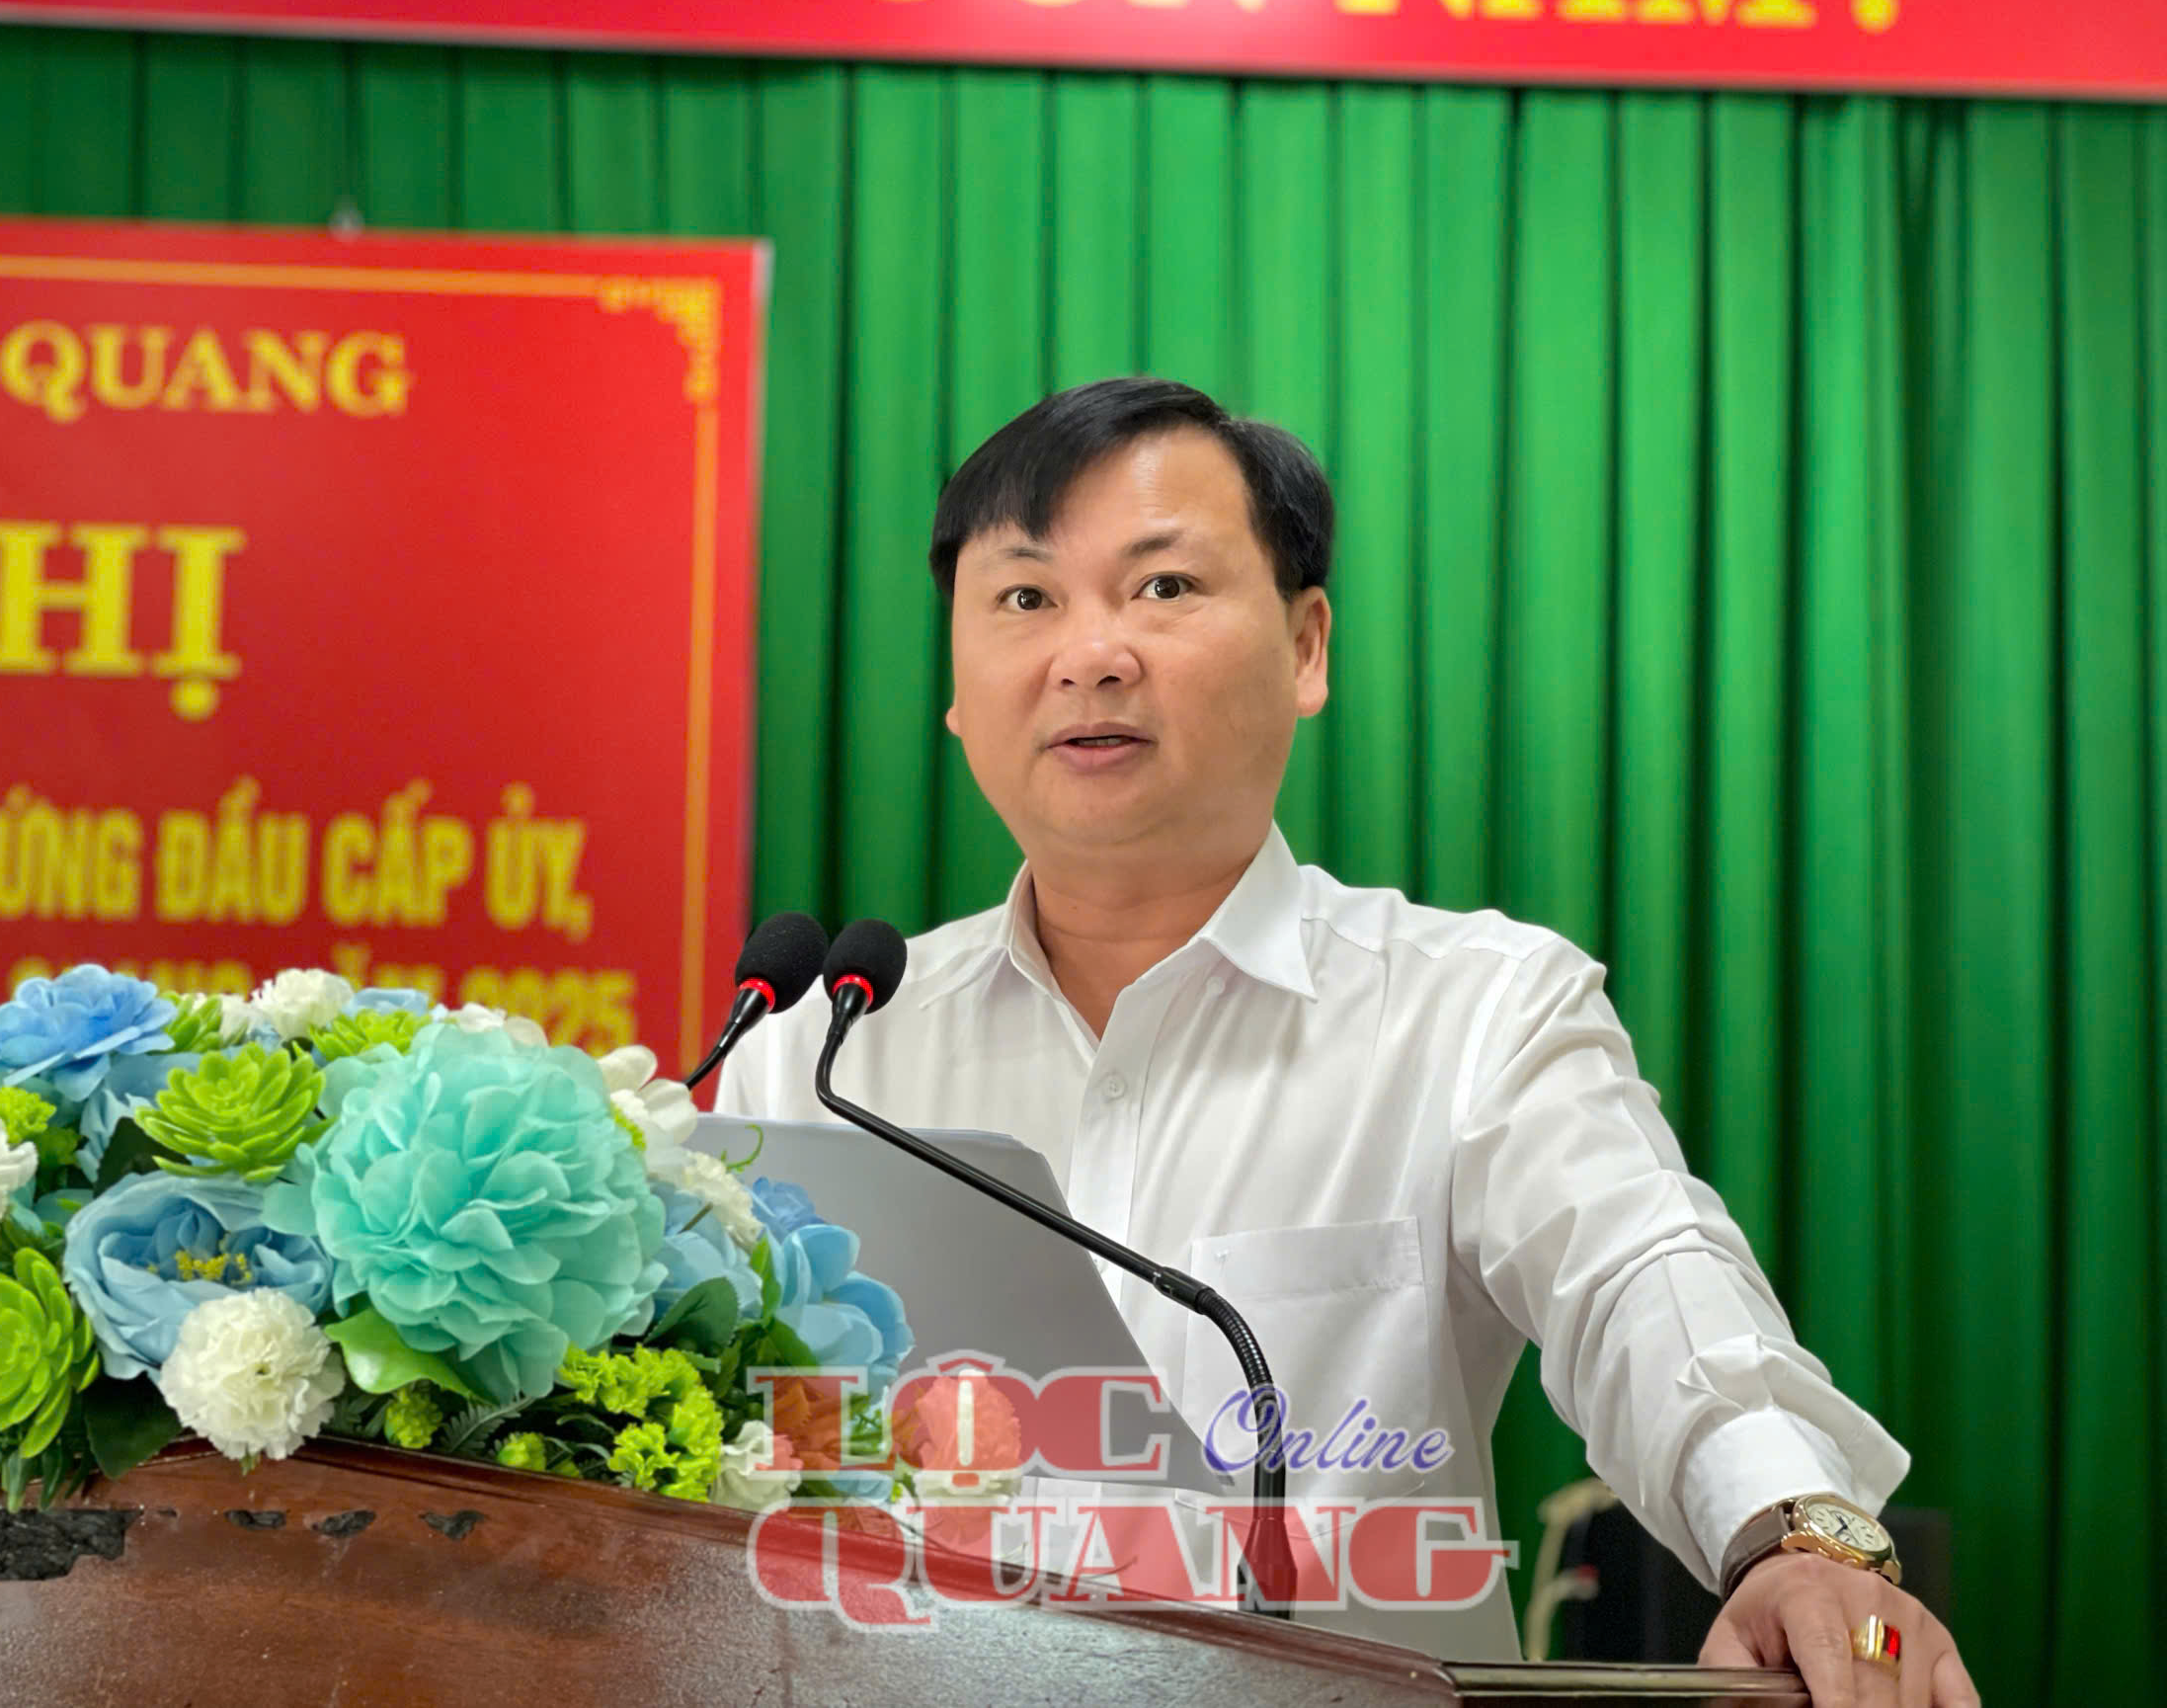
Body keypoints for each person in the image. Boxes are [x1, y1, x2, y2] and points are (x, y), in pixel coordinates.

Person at [720, 377, 1975, 1703]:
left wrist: (1794, 1536)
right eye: (1026, 599)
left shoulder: (1477, 1010)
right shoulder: (818, 1057)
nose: (1089, 654)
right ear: (957, 687)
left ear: (1307, 646)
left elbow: (1638, 1276)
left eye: (1162, 587)